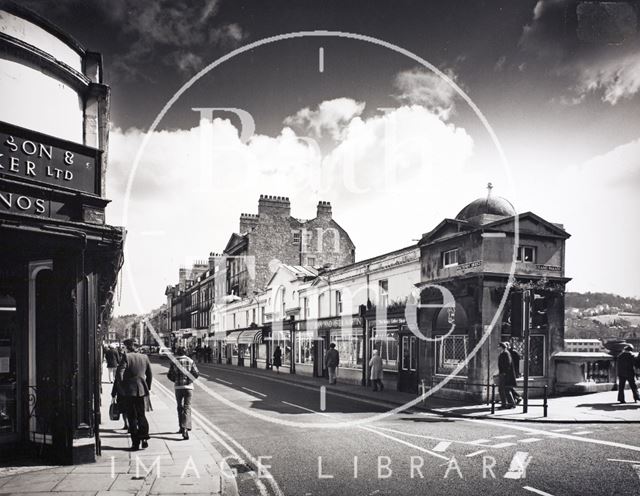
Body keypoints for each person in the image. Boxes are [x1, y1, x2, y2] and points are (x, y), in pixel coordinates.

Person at [116, 338, 153, 451]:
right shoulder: (144, 357)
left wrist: (122, 387)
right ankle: (144, 438)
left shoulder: (126, 357)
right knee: (141, 415)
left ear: (128, 347)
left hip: (129, 391)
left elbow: (119, 373)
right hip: (142, 390)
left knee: (132, 417)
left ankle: (135, 443)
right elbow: (150, 375)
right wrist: (147, 387)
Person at [168, 347, 199, 440]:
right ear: (185, 352)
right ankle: (186, 427)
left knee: (179, 407)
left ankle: (181, 428)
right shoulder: (190, 360)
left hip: (178, 387)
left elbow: (170, 374)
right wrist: (189, 381)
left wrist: (176, 380)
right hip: (189, 387)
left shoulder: (174, 361)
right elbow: (196, 373)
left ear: (177, 353)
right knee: (187, 407)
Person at [497, 342, 516, 409]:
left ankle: (508, 404)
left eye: (499, 347)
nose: (498, 348)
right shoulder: (504, 353)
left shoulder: (505, 353)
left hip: (505, 374)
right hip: (504, 374)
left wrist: (504, 372)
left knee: (504, 389)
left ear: (502, 347)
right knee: (505, 389)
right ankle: (508, 404)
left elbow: (507, 364)